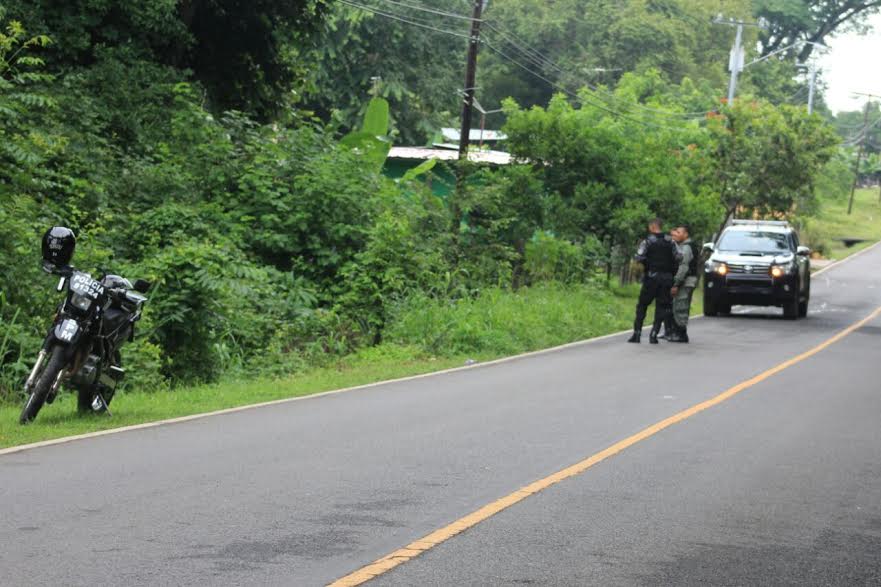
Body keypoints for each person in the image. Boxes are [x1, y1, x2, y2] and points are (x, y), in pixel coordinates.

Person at [628, 218, 681, 344]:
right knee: (662, 306)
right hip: (667, 279)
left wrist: (647, 262)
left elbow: (639, 256)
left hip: (651, 278)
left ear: (652, 227)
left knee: (642, 305)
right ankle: (653, 334)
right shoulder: (671, 241)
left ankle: (637, 334)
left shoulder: (648, 241)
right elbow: (679, 256)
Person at [668, 224, 698, 343]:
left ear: (686, 234)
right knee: (680, 305)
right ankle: (678, 333)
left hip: (686, 281)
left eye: (679, 232)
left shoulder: (686, 248)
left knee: (680, 307)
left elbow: (683, 268)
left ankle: (681, 334)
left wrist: (676, 284)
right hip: (688, 281)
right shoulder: (686, 246)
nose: (677, 234)